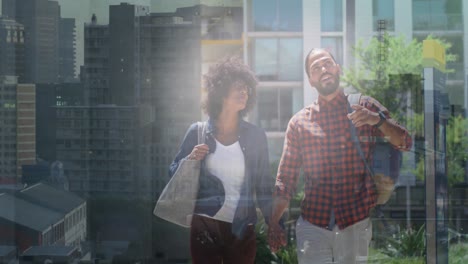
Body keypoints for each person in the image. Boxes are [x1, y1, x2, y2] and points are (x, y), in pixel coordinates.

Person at [267, 48, 413, 263]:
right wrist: (273, 223)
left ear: (338, 69)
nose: (323, 69)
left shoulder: (365, 107)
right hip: (313, 226)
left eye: (327, 63)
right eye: (316, 68)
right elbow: (285, 179)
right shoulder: (299, 123)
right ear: (310, 80)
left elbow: (405, 142)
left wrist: (377, 121)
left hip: (355, 224)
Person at [169, 56, 272, 264]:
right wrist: (190, 159)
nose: (244, 92)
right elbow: (173, 174)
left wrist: (273, 223)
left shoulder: (256, 136)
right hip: (205, 226)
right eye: (238, 88)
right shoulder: (197, 132)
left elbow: (263, 185)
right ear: (221, 92)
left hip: (242, 228)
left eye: (246, 88)